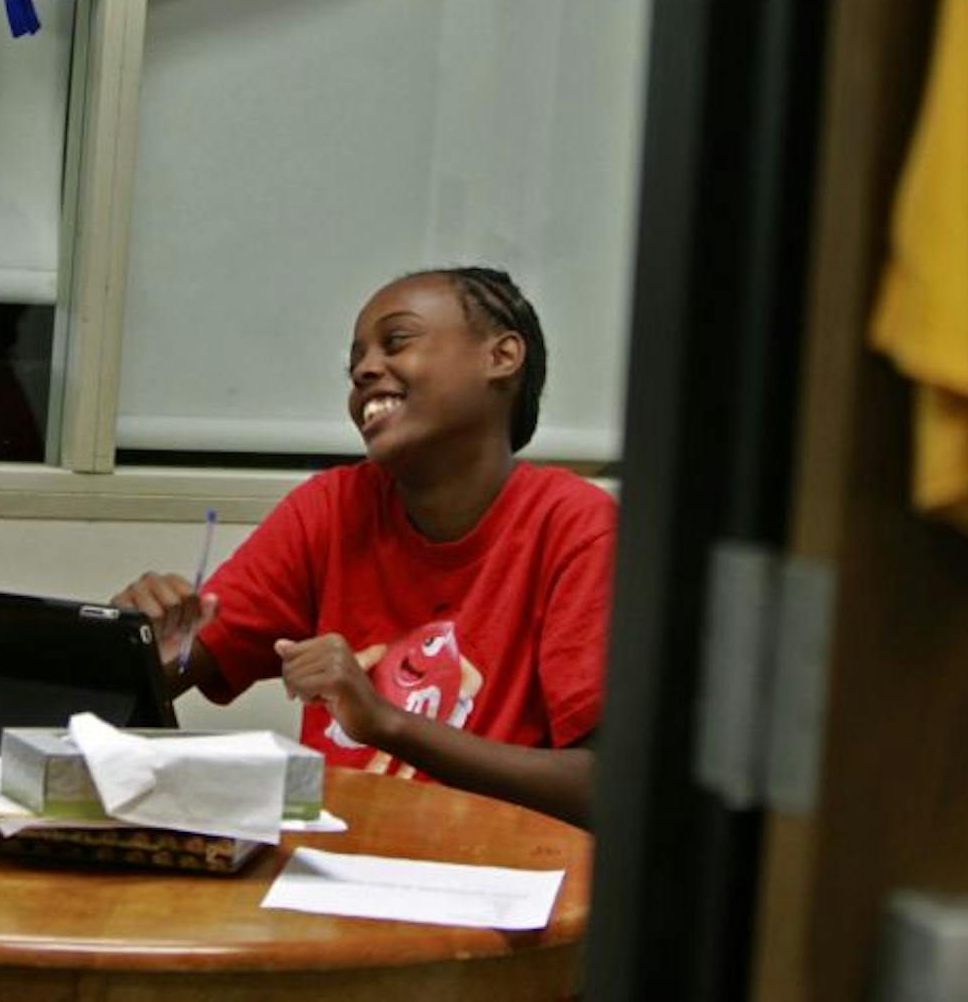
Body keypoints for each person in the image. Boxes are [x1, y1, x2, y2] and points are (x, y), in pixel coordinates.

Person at [115, 267, 614, 828]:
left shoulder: (576, 528)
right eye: (355, 363)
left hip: (495, 869)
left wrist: (387, 723)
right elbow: (174, 668)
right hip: (330, 865)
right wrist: (141, 649)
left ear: (501, 357)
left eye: (396, 341)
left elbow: (608, 788)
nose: (364, 371)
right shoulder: (331, 509)